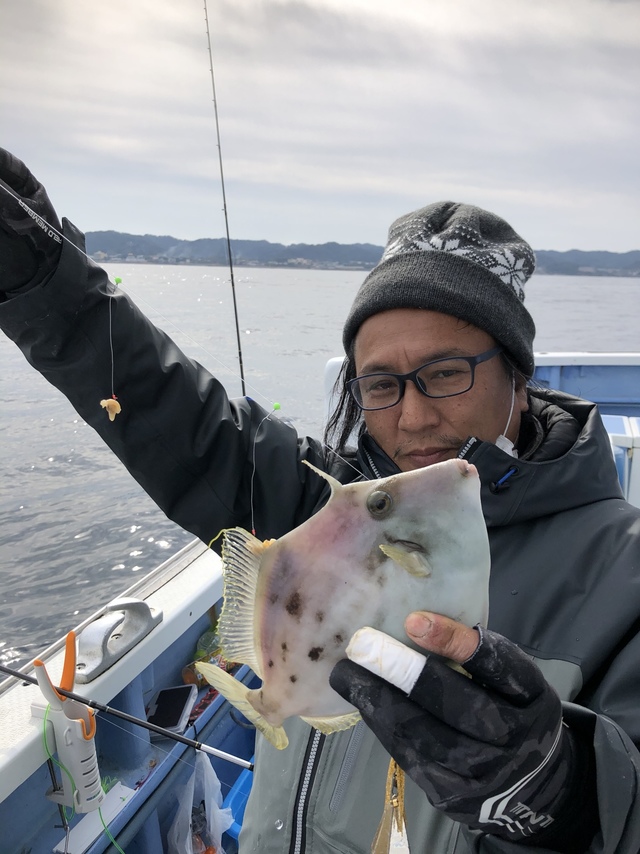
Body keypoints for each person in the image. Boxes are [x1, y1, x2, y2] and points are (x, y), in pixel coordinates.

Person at [1, 147, 640, 854]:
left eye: (447, 372)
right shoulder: (327, 514)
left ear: (518, 376)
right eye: (380, 385)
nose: (414, 417)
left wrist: (560, 791)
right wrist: (45, 283)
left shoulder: (623, 573)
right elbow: (174, 413)